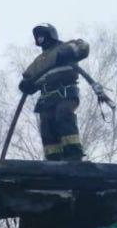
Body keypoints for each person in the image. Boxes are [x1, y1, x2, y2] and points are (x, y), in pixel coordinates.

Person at [18, 23, 90, 161]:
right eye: (38, 37)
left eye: (42, 36)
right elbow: (29, 79)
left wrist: (69, 52)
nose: (40, 39)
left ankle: (74, 154)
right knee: (47, 125)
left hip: (65, 94)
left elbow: (83, 47)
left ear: (50, 34)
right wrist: (25, 84)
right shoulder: (39, 61)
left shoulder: (64, 47)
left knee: (63, 115)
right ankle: (53, 158)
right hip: (46, 99)